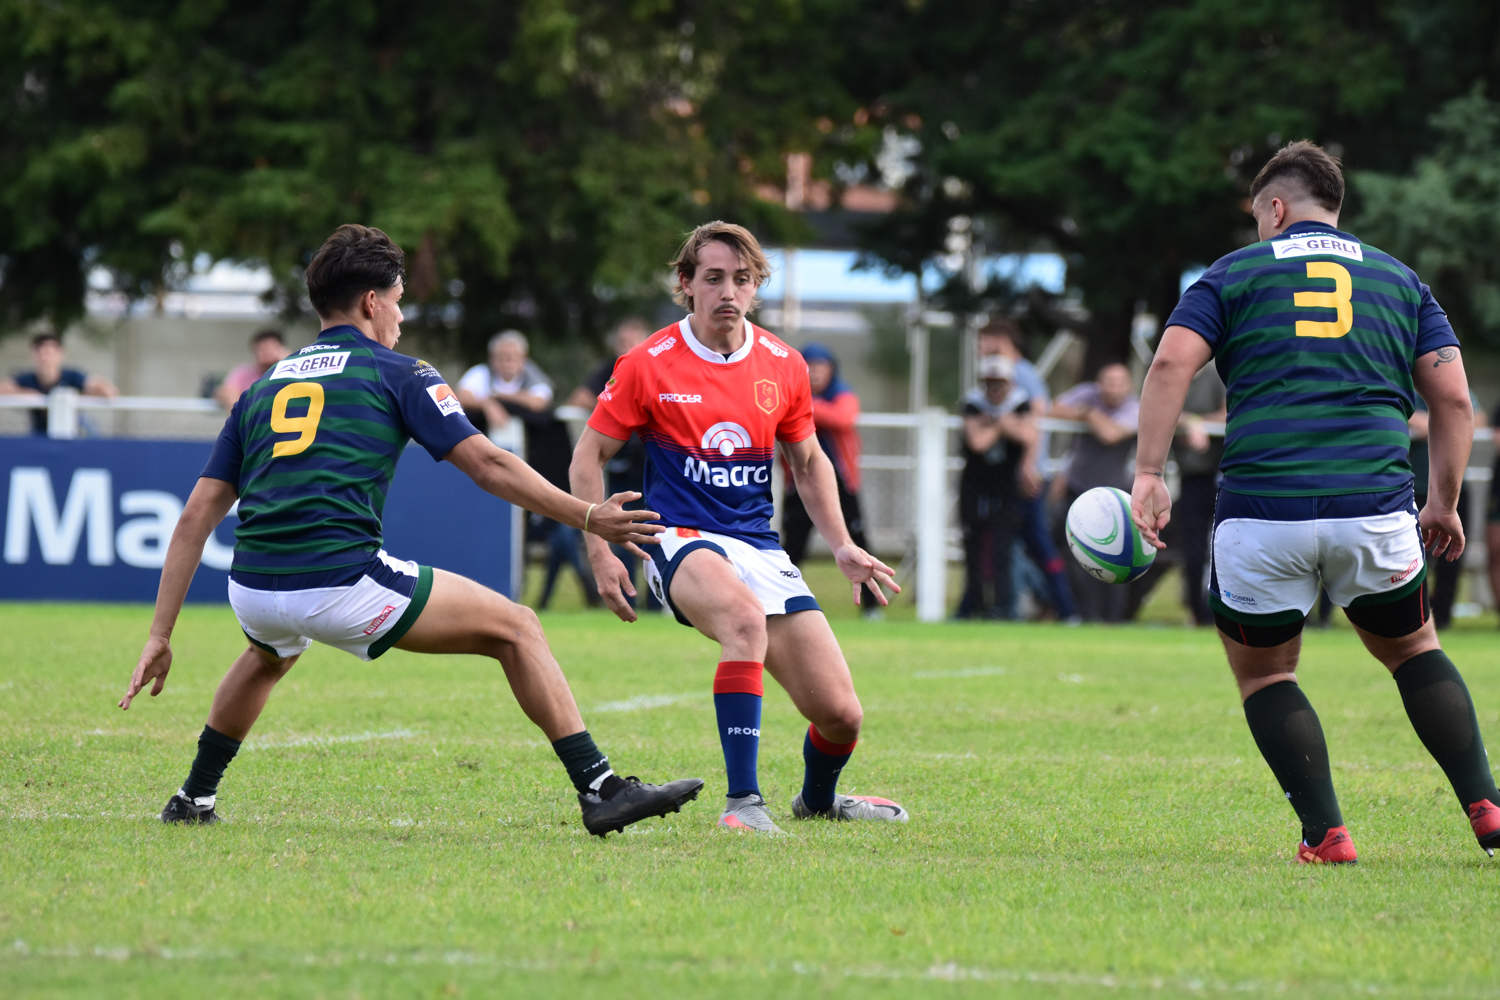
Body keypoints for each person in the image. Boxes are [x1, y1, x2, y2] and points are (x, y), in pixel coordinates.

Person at [117, 224, 701, 837]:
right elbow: (489, 465)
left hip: (254, 589)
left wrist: (160, 634)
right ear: (372, 302)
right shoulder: (400, 372)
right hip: (338, 581)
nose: (400, 315)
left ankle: (193, 797)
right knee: (518, 628)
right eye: (398, 301)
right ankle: (601, 788)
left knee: (268, 655)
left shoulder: (261, 388)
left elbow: (195, 519)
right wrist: (586, 513)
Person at [1130, 140, 1500, 863]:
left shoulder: (1232, 273)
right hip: (1375, 507)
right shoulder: (1399, 279)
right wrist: (1443, 503)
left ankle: (1326, 833)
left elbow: (1172, 360)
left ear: (1275, 208)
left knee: (1268, 673)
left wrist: (1149, 470)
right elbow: (1455, 400)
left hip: (1263, 511)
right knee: (1414, 650)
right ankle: (1486, 805)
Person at [571, 221, 908, 834]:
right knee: (744, 622)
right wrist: (600, 550)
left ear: (756, 287)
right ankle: (744, 804)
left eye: (742, 279)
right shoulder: (647, 363)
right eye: (714, 278)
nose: (728, 292)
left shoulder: (784, 364)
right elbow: (585, 458)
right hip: (677, 537)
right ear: (686, 283)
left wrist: (843, 545)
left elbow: (809, 462)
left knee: (841, 716)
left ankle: (818, 801)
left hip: (757, 544)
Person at [977, 320, 1077, 621]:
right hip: (1012, 475)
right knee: (1012, 544)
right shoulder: (1007, 371)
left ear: (1000, 341)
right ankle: (1042, 605)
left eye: (984, 341)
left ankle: (1065, 607)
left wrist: (1029, 466)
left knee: (1038, 543)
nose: (980, 349)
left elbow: (1035, 424)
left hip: (1028, 475)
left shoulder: (1022, 374)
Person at [778, 343, 880, 616]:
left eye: (821, 367)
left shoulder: (841, 393)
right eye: (810, 367)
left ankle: (872, 608)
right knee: (792, 548)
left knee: (857, 544)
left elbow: (843, 418)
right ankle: (779, 603)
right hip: (799, 485)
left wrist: (803, 405)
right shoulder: (787, 395)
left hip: (841, 486)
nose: (815, 373)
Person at [567, 318, 658, 611]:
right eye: (622, 342)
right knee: (621, 531)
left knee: (655, 532)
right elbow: (578, 399)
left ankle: (657, 601)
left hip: (654, 467)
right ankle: (626, 595)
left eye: (633, 340)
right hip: (620, 467)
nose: (627, 347)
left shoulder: (657, 367)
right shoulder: (612, 369)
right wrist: (613, 409)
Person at [1125, 364, 1225, 625]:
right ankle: (1198, 612)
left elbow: (1231, 413)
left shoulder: (1217, 374)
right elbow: (1159, 412)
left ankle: (1227, 610)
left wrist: (1199, 423)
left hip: (1225, 476)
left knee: (1226, 546)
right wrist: (1188, 422)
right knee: (1192, 549)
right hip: (1191, 479)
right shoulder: (1171, 374)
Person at [1051, 362, 1139, 621]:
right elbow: (1052, 410)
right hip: (1077, 488)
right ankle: (1081, 615)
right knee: (1074, 555)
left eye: (1118, 383)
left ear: (1128, 386)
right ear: (1099, 383)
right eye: (1107, 382)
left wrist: (1088, 414)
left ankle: (1112, 618)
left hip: (1113, 498)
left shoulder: (1134, 407)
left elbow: (1110, 434)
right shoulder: (1087, 394)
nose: (1112, 388)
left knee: (1115, 557)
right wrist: (1088, 413)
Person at [955, 354, 1038, 619]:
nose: (994, 389)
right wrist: (1004, 423)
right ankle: (975, 605)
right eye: (989, 383)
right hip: (975, 486)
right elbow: (978, 443)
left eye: (999, 383)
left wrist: (995, 423)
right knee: (973, 550)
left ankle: (1003, 608)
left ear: (1009, 383)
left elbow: (1028, 435)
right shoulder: (973, 403)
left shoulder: (1020, 402)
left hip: (1007, 488)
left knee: (1003, 552)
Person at [1409, 395, 1484, 628]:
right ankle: (1412, 614)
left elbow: (1476, 419)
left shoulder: (1453, 386)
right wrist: (1441, 423)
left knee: (1452, 557)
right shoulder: (1404, 386)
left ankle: (1442, 616)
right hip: (1413, 486)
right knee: (1410, 556)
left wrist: (1433, 424)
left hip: (1453, 489)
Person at [1, 332, 117, 434]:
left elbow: (108, 391)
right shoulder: (27, 379)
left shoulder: (73, 377)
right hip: (39, 436)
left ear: (60, 354)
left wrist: (75, 397)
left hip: (74, 436)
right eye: (40, 353)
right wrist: (28, 395)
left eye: (49, 353)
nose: (45, 358)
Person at [456, 330, 554, 436]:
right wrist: (486, 405)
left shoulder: (534, 376)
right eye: (502, 357)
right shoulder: (480, 372)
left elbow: (539, 402)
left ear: (524, 358)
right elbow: (462, 397)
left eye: (512, 357)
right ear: (492, 358)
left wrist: (499, 397)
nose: (507, 363)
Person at [215, 329, 290, 408]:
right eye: (262, 350)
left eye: (271, 349)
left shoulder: (290, 373)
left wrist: (287, 362)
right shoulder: (243, 373)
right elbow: (226, 392)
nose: (266, 354)